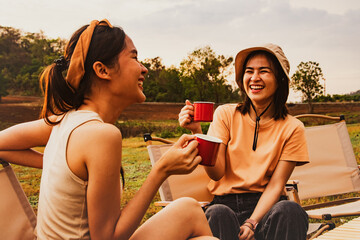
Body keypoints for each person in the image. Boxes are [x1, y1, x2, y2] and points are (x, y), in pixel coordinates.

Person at [0, 19, 218, 240]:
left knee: (189, 209)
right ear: (102, 70)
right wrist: (161, 170)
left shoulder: (65, 121)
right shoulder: (101, 135)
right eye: (134, 57)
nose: (144, 68)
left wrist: (53, 162)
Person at [179, 43, 309, 240]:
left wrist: (252, 222)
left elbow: (276, 186)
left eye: (264, 71)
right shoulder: (225, 114)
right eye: (249, 71)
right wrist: (198, 132)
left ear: (280, 79)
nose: (255, 78)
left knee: (291, 210)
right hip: (225, 205)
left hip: (268, 209)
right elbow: (217, 173)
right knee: (217, 213)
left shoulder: (293, 127)